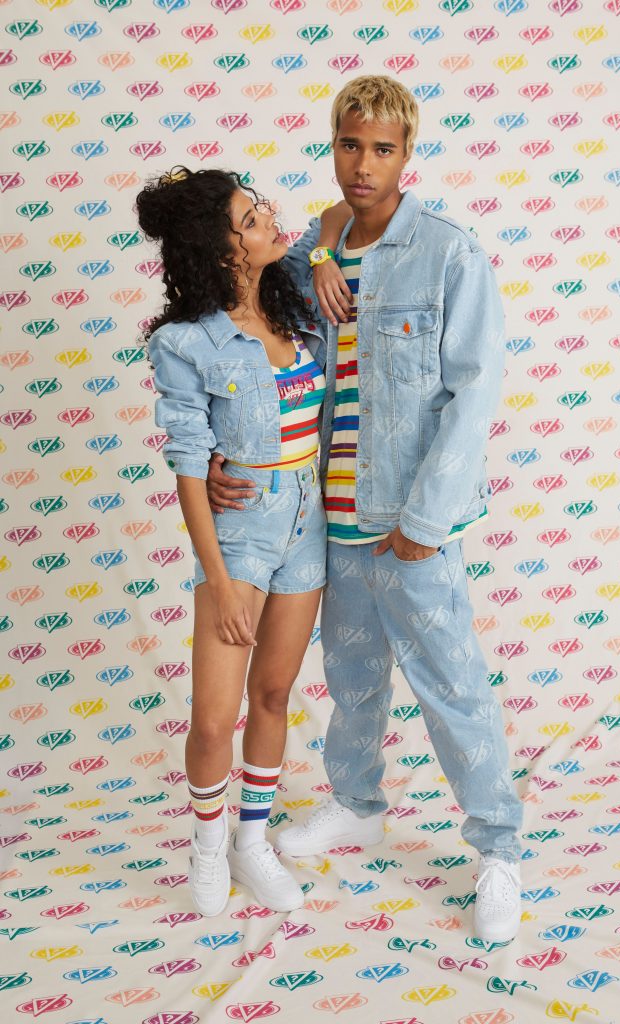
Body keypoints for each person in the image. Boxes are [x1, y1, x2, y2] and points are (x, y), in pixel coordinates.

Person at [206, 75, 525, 943]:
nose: (363, 163)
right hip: (327, 520)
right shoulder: (309, 253)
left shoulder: (447, 254)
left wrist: (425, 522)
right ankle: (355, 803)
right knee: (350, 680)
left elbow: (473, 393)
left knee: (451, 688)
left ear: (406, 153)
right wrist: (219, 458)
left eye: (382, 148)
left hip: (407, 523)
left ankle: (498, 850)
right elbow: (248, 351)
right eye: (350, 144)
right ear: (333, 145)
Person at [135, 167, 351, 916]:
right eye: (249, 218)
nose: (268, 219)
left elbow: (335, 214)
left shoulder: (295, 299)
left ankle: (250, 843)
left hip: (308, 522)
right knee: (211, 716)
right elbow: (189, 466)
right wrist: (220, 580)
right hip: (240, 532)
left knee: (273, 694)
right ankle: (206, 845)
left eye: (260, 209)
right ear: (222, 249)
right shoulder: (186, 343)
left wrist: (318, 256)